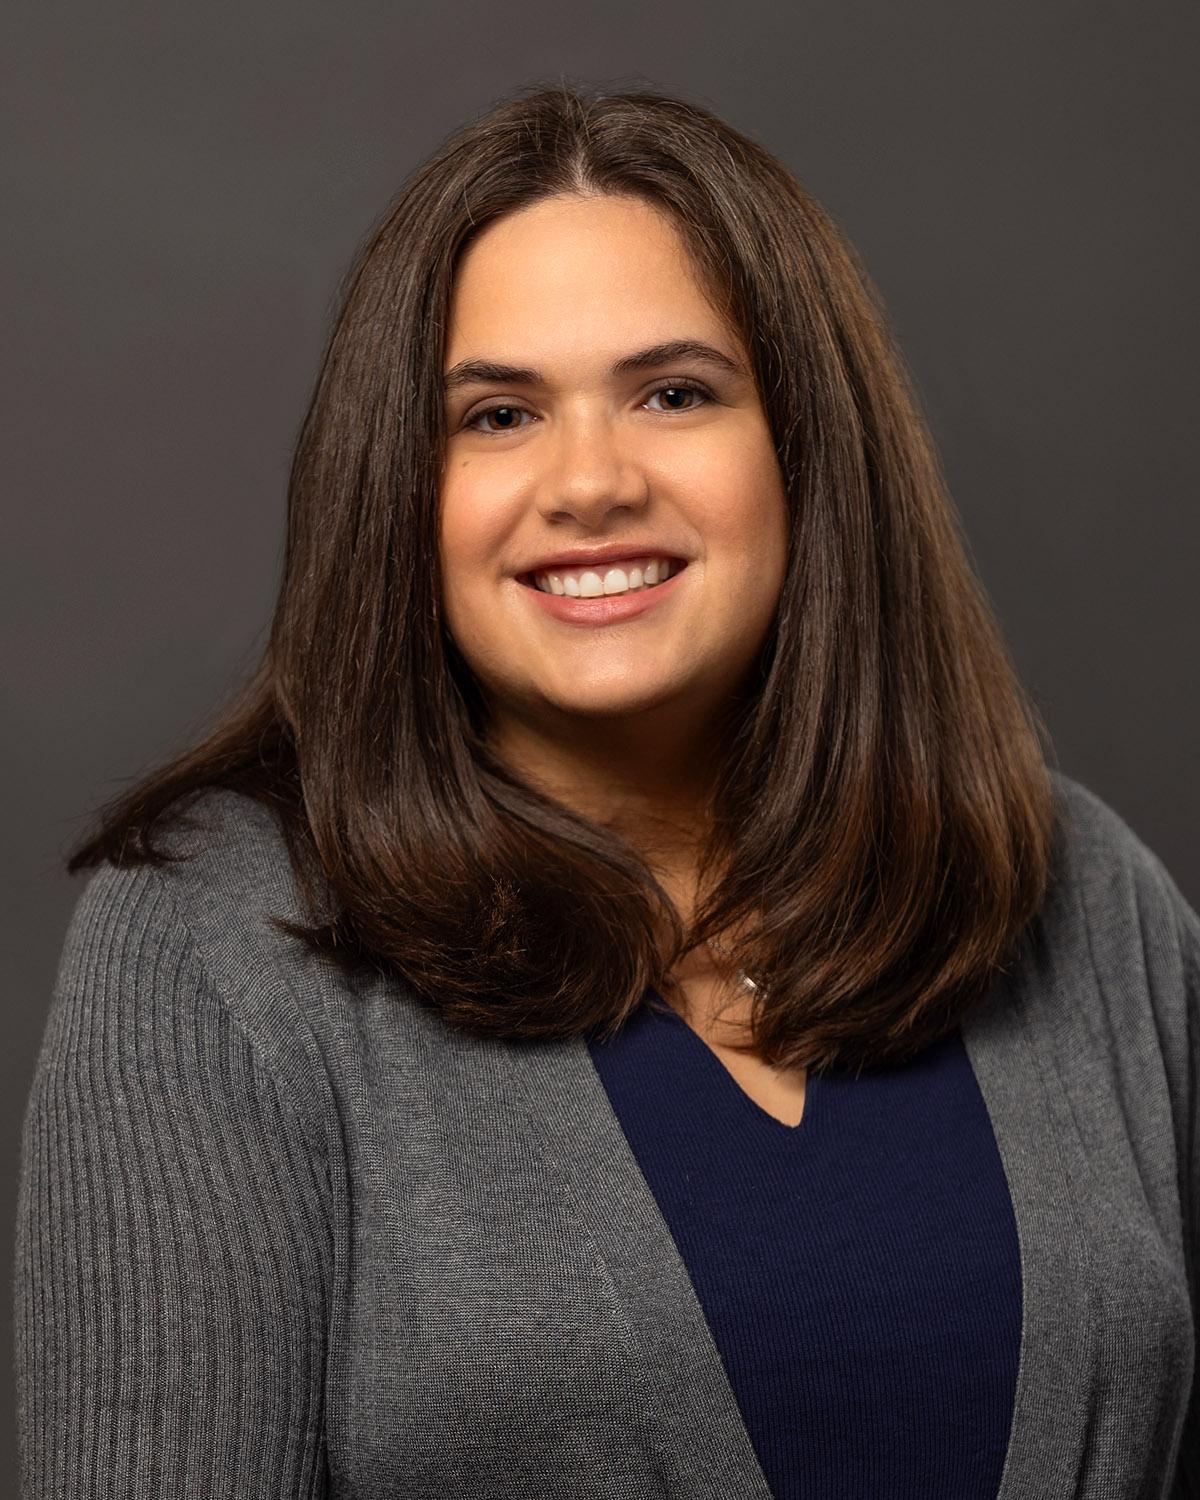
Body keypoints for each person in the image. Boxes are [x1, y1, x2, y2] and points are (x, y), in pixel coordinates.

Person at [14, 81, 1198, 1499]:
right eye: (500, 414)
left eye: (675, 393)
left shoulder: (1079, 889)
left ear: (810, 453)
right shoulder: (215, 945)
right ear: (401, 487)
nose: (588, 482)